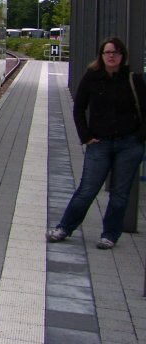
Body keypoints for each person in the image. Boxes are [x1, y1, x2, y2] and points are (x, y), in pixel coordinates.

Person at [47, 37, 146, 249]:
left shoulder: (133, 80)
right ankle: (65, 227)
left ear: (122, 56)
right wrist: (86, 136)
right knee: (87, 189)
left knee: (120, 194)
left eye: (116, 52)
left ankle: (109, 235)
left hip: (129, 144)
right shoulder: (91, 78)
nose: (112, 56)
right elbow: (79, 108)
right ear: (101, 55)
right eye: (108, 52)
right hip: (99, 143)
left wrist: (139, 138)